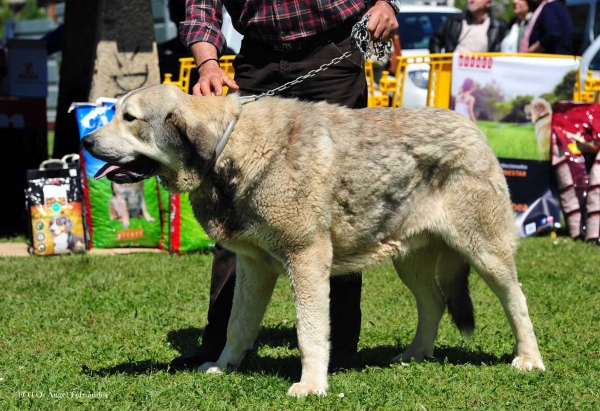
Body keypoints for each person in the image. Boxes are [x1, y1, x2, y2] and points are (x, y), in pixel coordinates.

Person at [169, 0, 400, 372]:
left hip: (332, 52)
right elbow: (201, 8)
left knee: (336, 201)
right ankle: (220, 345)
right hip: (257, 59)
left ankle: (337, 349)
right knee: (231, 203)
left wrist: (388, 3)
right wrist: (208, 63)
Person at [429, 0, 508, 54]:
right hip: (454, 74)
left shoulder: (498, 26)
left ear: (488, 2)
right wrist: (440, 62)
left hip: (482, 76)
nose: (471, 0)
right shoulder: (454, 20)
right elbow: (435, 41)